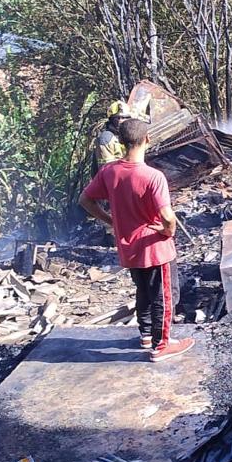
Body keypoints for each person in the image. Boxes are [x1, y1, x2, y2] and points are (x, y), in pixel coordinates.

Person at [78, 118, 193, 361]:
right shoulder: (153, 177)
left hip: (128, 246)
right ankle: (161, 345)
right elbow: (167, 216)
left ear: (120, 141)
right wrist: (168, 231)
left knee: (143, 289)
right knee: (164, 294)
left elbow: (85, 200)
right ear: (147, 140)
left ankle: (146, 333)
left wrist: (111, 220)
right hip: (154, 248)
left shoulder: (109, 172)